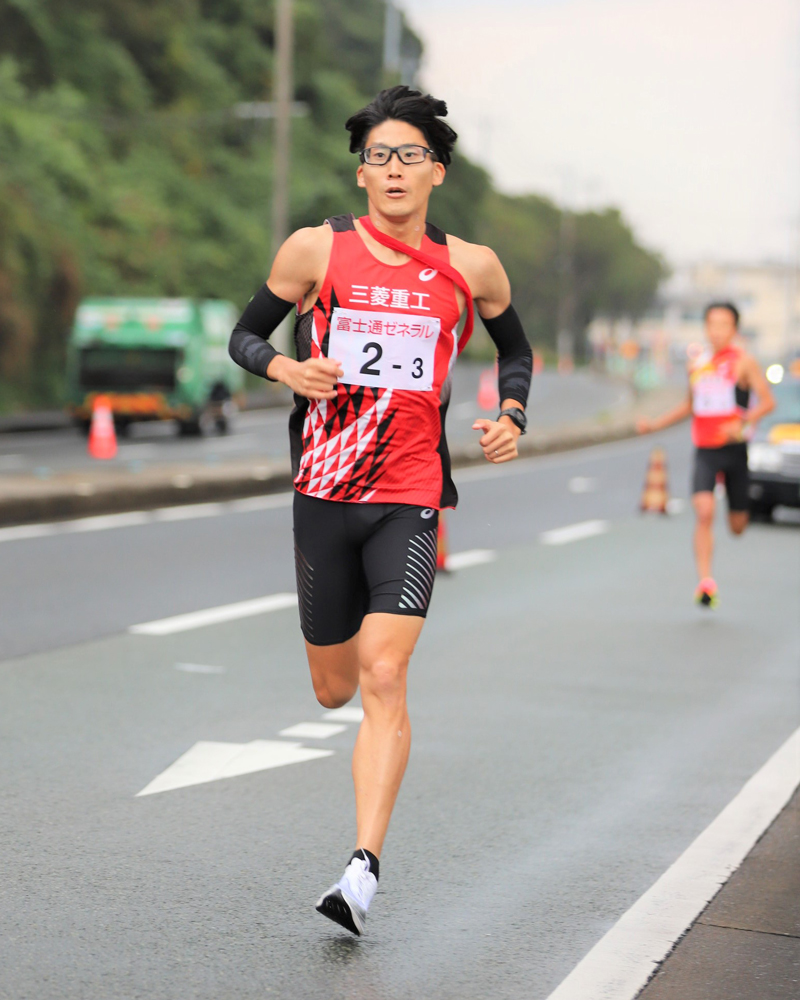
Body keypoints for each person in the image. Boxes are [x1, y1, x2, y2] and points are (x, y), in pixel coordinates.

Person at [229, 85, 532, 935]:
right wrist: (284, 370)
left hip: (410, 491)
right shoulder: (315, 251)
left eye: (409, 156)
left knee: (386, 673)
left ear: (437, 170)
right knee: (333, 688)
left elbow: (516, 347)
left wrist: (511, 415)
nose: (393, 170)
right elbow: (245, 336)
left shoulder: (471, 267)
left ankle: (362, 869)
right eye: (378, 156)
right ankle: (345, 707)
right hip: (324, 490)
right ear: (361, 172)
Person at [637, 302, 774, 607]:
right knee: (704, 511)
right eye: (712, 324)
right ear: (706, 328)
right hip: (706, 450)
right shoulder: (697, 364)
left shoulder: (744, 362)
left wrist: (743, 422)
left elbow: (767, 403)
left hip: (736, 451)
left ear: (734, 329)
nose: (717, 331)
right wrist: (655, 424)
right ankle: (705, 582)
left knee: (737, 527)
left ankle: (738, 512)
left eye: (724, 324)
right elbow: (689, 406)